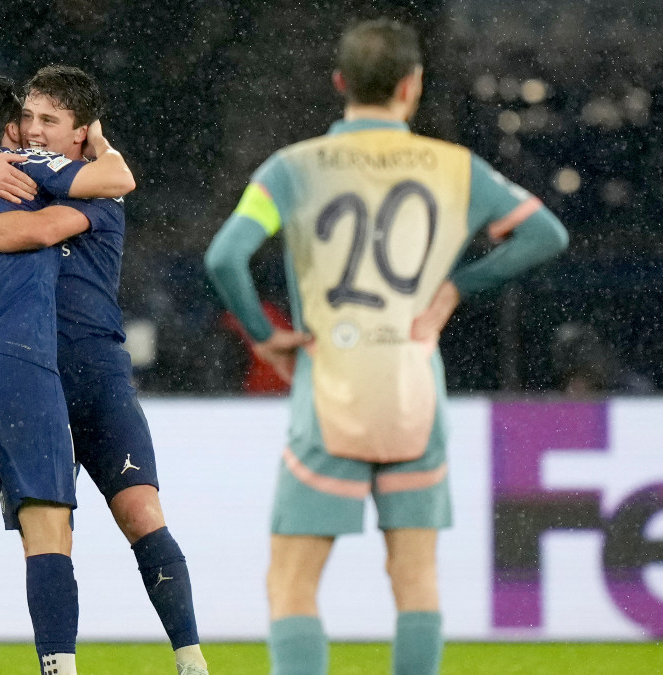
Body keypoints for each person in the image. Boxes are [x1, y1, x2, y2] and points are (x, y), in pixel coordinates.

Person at [204, 19, 569, 675]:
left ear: (341, 82)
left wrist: (266, 338)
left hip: (331, 389)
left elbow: (226, 256)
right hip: (413, 391)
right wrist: (458, 286)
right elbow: (545, 234)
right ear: (412, 87)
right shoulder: (457, 169)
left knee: (292, 583)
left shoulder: (292, 168)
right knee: (415, 579)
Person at [0, 64, 209, 675]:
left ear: (81, 136)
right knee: (43, 533)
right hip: (27, 375)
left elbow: (42, 228)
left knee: (139, 513)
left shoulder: (93, 194)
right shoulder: (17, 174)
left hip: (89, 373)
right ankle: (56, 662)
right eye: (30, 119)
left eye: (51, 121)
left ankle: (190, 658)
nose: (37, 132)